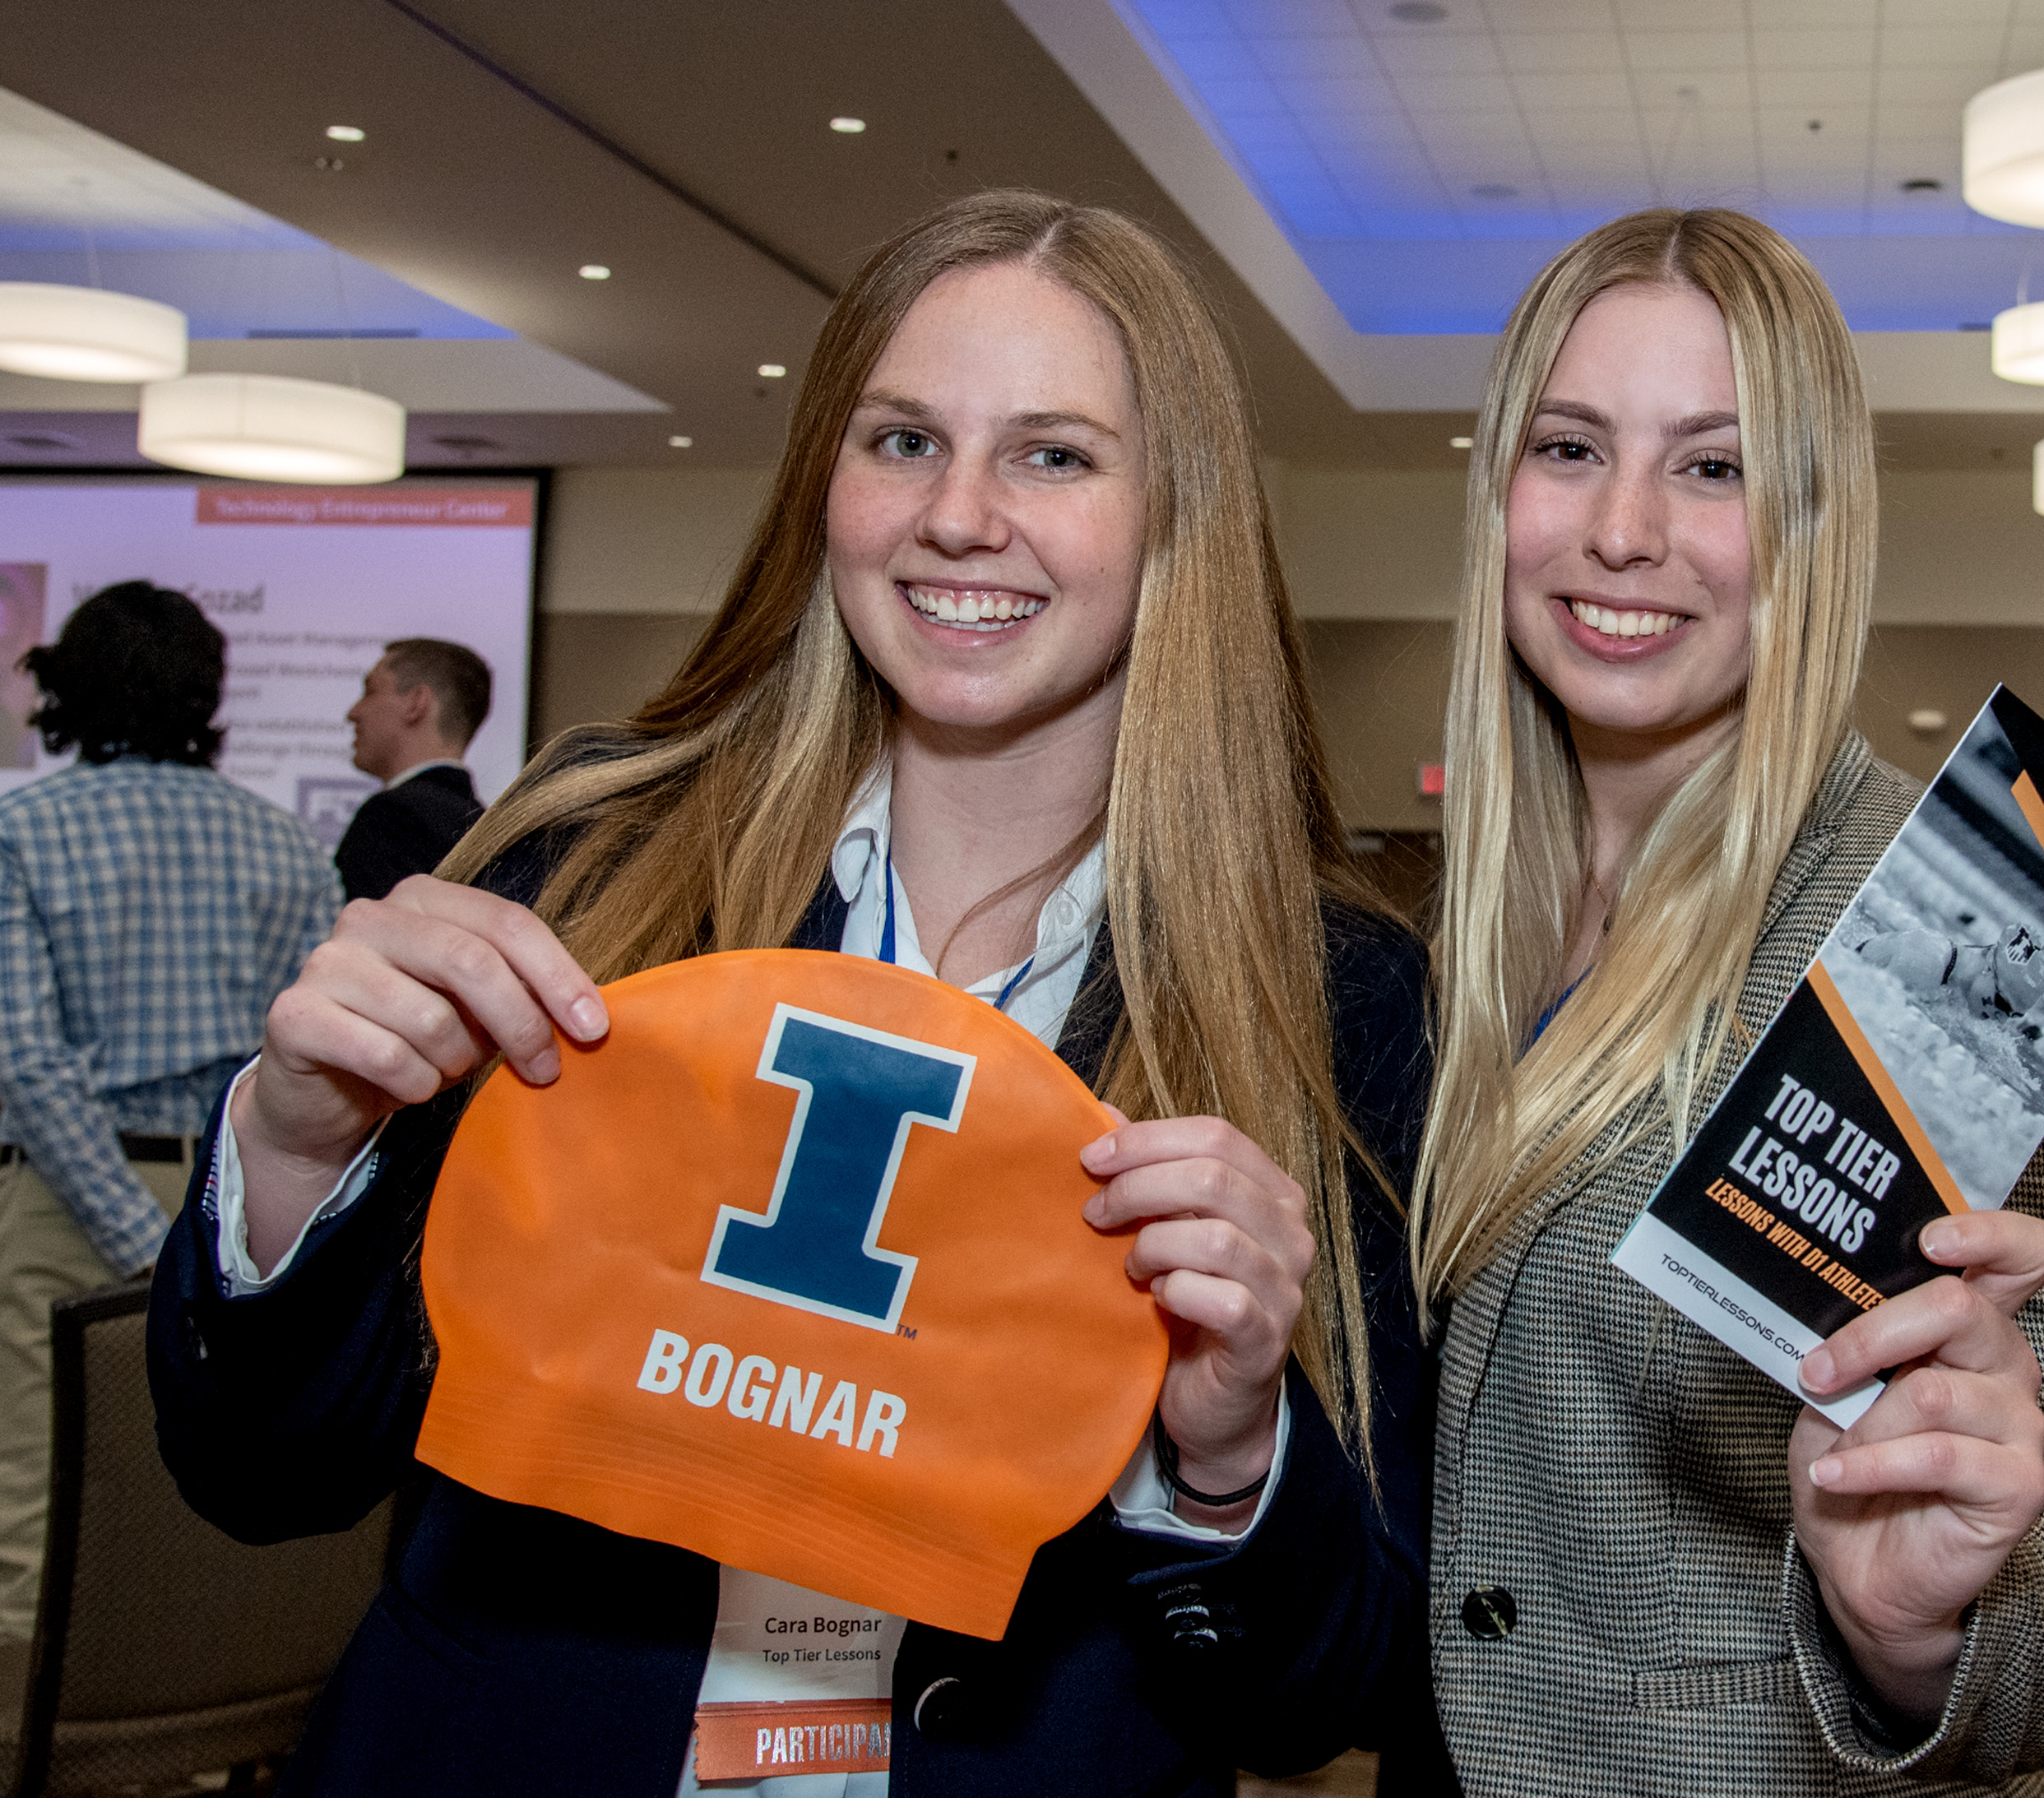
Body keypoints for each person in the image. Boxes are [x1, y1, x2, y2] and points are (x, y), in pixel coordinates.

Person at [149, 191, 1430, 1797]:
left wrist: (1229, 1454)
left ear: (1178, 511)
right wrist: (293, 1139)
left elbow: (1328, 1690)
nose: (959, 515)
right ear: (827, 478)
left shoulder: (1334, 991)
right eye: (902, 440)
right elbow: (259, 1470)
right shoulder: (593, 862)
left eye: (1053, 453)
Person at [1409, 207, 2044, 1795]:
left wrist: (1919, 1632)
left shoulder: (1963, 928)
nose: (1622, 531)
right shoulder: (1457, 922)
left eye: (1712, 466)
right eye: (1569, 446)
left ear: (1811, 517)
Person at [0, 582, 336, 1644]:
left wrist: (134, 1233)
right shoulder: (286, 844)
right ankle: (177, 1756)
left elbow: (25, 1057)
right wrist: (189, 1238)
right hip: (241, 1206)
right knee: (187, 1506)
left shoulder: (21, 829)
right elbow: (314, 1058)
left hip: (67, 1200)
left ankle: (36, 1755)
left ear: (68, 686)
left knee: (30, 1506)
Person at [334, 637, 491, 902]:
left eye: (369, 691)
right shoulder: (486, 828)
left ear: (416, 703)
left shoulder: (390, 820)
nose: (353, 712)